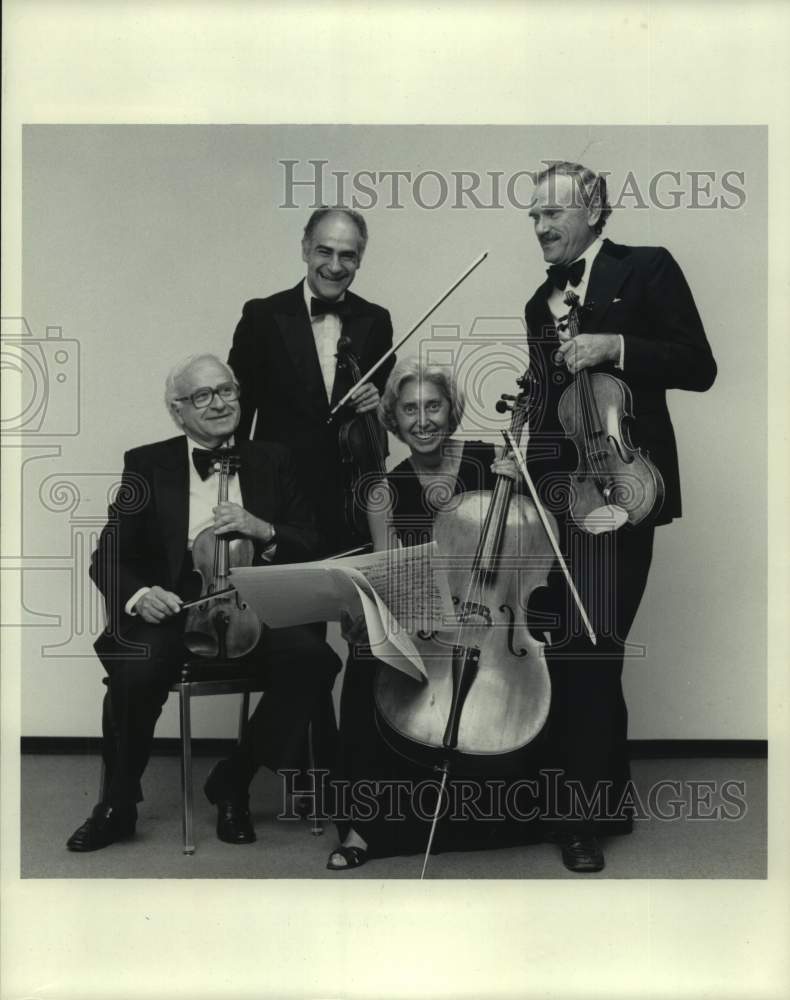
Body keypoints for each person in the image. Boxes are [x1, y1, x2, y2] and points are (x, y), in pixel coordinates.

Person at [523, 160, 717, 872]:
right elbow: (551, 409)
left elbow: (700, 365)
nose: (539, 227)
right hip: (572, 500)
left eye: (552, 213)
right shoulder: (536, 304)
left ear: (595, 208)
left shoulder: (649, 269)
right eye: (533, 216)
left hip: (630, 491)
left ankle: (580, 822)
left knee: (591, 643)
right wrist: (527, 453)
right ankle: (606, 802)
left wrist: (618, 347)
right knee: (586, 643)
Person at [66, 354, 341, 852]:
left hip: (251, 605)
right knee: (136, 670)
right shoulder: (147, 463)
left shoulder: (274, 459)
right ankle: (118, 803)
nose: (218, 404)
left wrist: (265, 530)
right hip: (173, 607)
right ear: (178, 411)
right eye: (202, 396)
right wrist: (141, 594)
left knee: (315, 661)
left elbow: (313, 540)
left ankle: (233, 780)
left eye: (227, 391)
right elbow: (107, 553)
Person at [327, 358, 541, 871]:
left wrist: (522, 483)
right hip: (426, 619)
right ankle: (363, 824)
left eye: (433, 406)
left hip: (492, 617)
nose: (422, 420)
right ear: (393, 421)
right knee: (363, 666)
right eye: (409, 409)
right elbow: (389, 575)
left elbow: (536, 541)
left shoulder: (493, 463)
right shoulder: (384, 490)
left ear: (451, 413)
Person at [228, 207, 395, 557]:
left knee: (354, 608)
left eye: (347, 255)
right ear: (305, 249)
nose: (335, 267)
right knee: (285, 609)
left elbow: (389, 413)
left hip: (349, 501)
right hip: (280, 500)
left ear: (360, 259)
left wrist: (378, 401)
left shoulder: (376, 320)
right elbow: (236, 416)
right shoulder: (261, 316)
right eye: (325, 251)